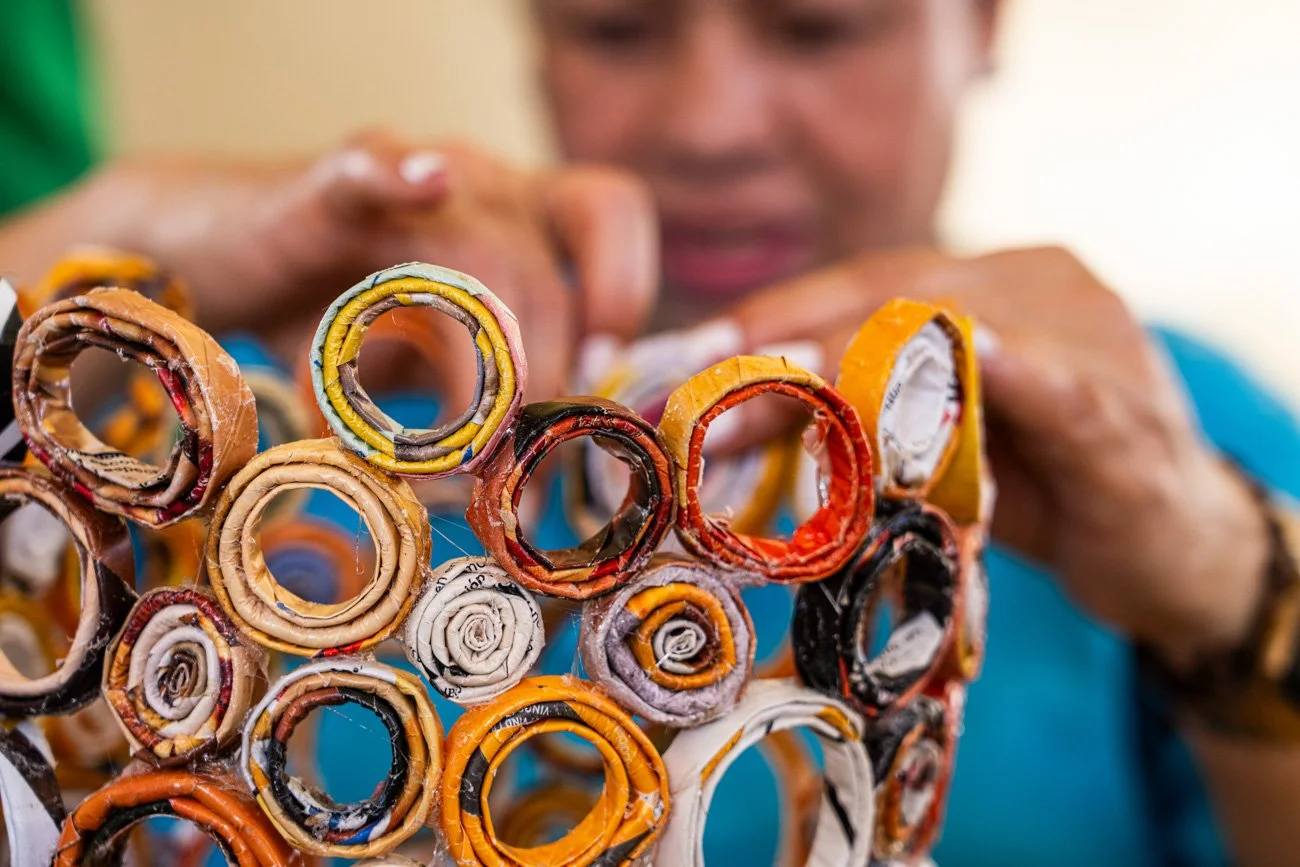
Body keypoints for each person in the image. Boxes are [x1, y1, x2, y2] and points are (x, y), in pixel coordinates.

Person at [2, 1, 1299, 864]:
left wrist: (1234, 591)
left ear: (982, 21)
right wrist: (68, 246)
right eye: (618, 27)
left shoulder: (1160, 439)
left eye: (817, 25)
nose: (710, 124)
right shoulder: (244, 441)